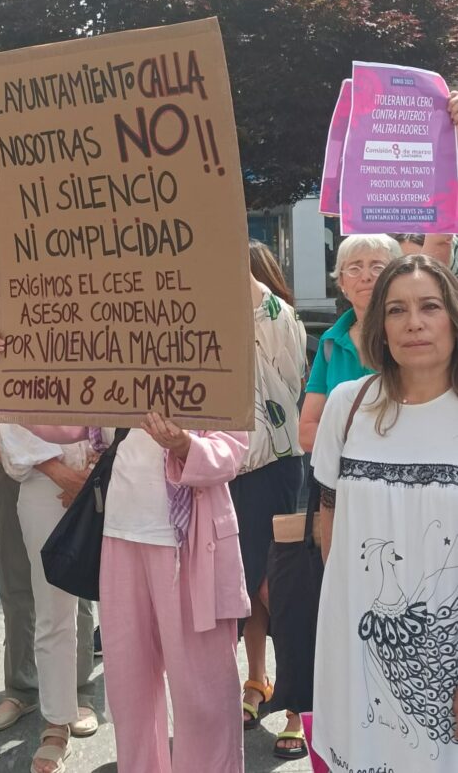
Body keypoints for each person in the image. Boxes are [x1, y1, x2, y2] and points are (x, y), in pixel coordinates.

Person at [0, 335, 250, 773]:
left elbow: (234, 448)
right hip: (120, 537)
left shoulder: (208, 335)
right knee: (129, 692)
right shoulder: (109, 340)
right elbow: (58, 419)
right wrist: (9, 371)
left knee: (201, 694)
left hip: (188, 544)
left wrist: (185, 445)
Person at [311, 254, 458, 772]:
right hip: (360, 648)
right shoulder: (348, 405)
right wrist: (344, 614)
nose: (413, 323)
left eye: (430, 306)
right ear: (381, 326)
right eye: (397, 310)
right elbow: (330, 514)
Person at [0, 375, 95, 737]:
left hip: (95, 470)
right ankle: (37, 703)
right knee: (32, 591)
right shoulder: (10, 347)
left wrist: (93, 469)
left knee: (81, 594)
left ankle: (75, 694)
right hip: (32, 475)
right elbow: (1, 396)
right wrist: (63, 475)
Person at [0, 420, 99, 773]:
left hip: (117, 475)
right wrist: (63, 475)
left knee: (130, 611)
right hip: (44, 485)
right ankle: (56, 723)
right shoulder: (7, 369)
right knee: (52, 610)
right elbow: (10, 419)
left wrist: (97, 471)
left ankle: (140, 732)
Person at [236, 242, 307, 759]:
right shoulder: (213, 328)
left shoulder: (283, 321)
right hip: (226, 473)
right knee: (244, 586)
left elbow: (265, 308)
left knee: (276, 587)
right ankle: (256, 681)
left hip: (275, 469)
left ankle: (297, 705)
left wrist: (228, 251)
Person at [299, 234, 401, 452]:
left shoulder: (410, 337)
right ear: (342, 282)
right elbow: (306, 432)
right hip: (342, 472)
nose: (366, 276)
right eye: (355, 268)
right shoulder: (330, 342)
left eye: (377, 267)